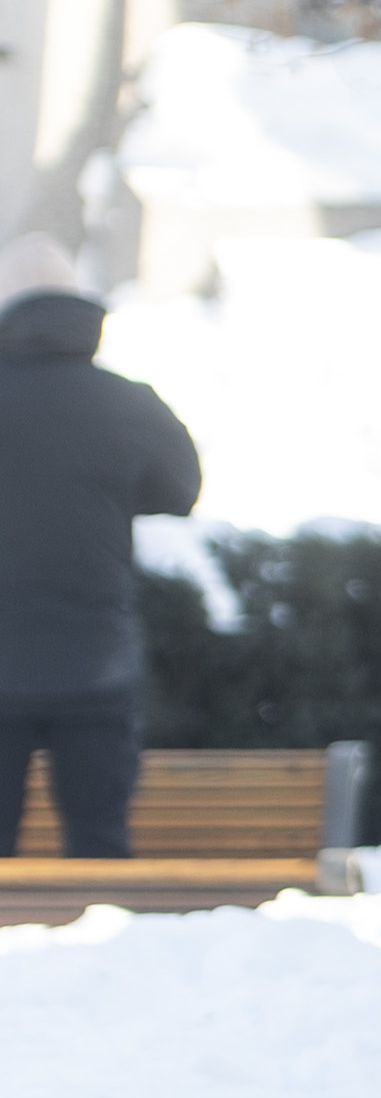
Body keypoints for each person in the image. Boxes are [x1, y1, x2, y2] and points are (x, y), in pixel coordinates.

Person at [0, 275, 202, 856]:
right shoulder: (127, 402)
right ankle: (100, 943)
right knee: (99, 840)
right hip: (94, 660)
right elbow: (180, 491)